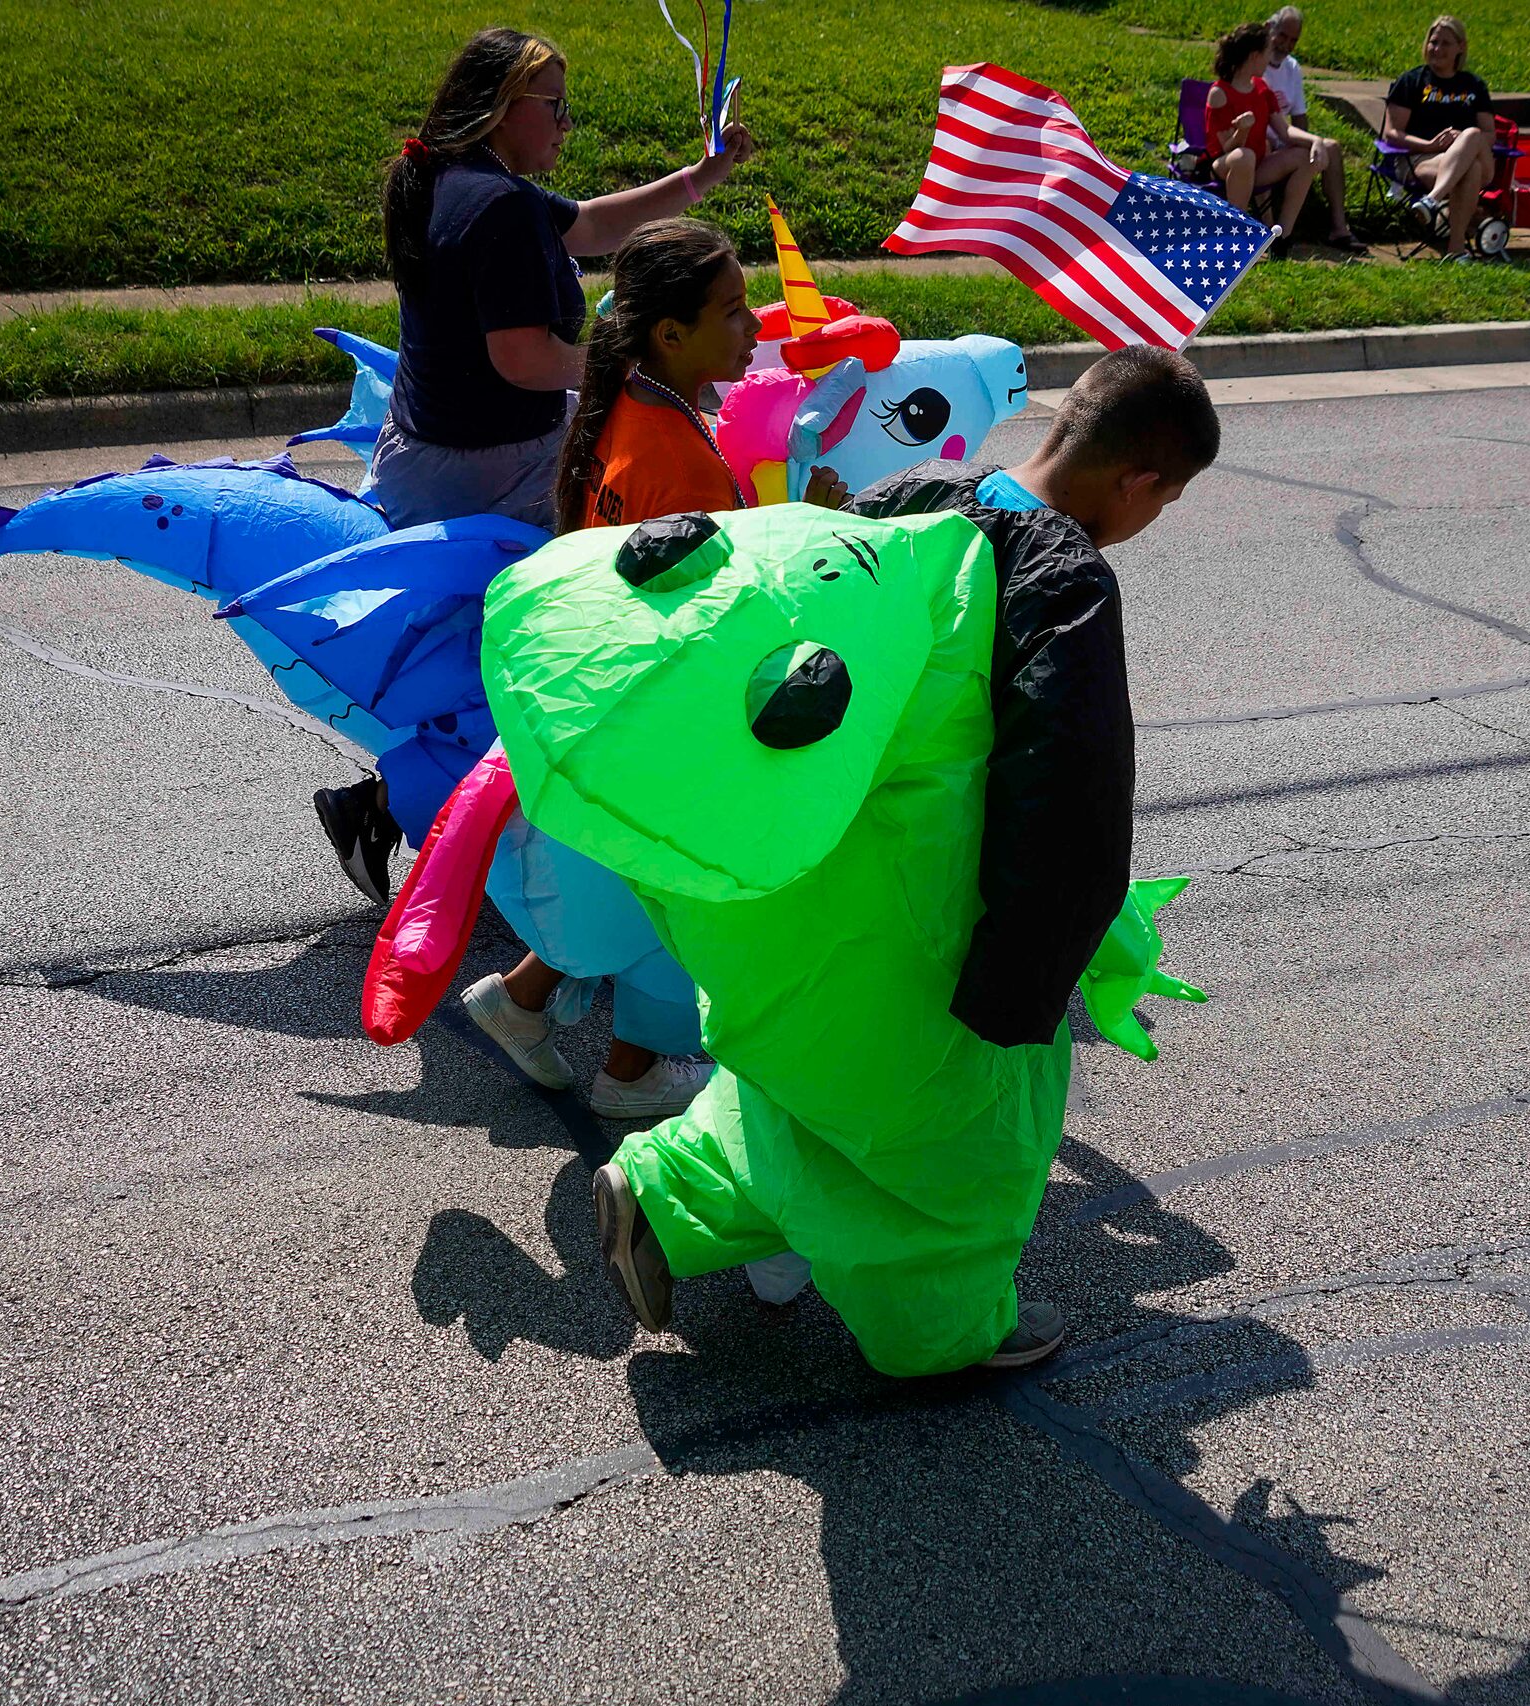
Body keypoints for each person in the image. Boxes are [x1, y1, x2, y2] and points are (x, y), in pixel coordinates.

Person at [583, 347, 1222, 1373]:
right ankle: (947, 1334)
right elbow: (1068, 800)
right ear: (1142, 480)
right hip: (925, 909)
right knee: (960, 1139)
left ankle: (673, 1194)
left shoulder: (916, 494)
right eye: (1170, 498)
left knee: (808, 1074)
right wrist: (1027, 982)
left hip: (805, 870)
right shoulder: (1060, 580)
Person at [316, 26, 757, 902]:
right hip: (488, 465)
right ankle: (444, 820)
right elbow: (522, 358)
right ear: (500, 108)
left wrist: (700, 180)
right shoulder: (498, 206)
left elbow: (587, 226)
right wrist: (631, 361)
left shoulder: (444, 176)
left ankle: (418, 811)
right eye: (552, 105)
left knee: (491, 656)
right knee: (571, 636)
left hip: (428, 454)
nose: (564, 120)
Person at [459, 220, 849, 1123]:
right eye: (731, 310)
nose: (753, 325)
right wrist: (820, 529)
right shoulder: (672, 455)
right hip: (667, 714)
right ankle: (634, 1069)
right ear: (669, 335)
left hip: (613, 698)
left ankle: (521, 1001)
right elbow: (727, 613)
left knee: (612, 878)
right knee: (679, 901)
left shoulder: (634, 409)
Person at [1207, 23, 1362, 253]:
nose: (1271, 57)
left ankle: (1280, 238)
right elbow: (1227, 148)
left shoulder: (1262, 88)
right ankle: (1235, 237)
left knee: (1304, 157)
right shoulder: (1220, 92)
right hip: (1225, 164)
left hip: (1257, 163)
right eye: (1268, 52)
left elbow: (1284, 131)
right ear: (1254, 56)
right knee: (1243, 156)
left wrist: (1316, 141)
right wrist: (1243, 130)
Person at [1384, 14, 1498, 259]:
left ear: (1461, 47)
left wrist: (1464, 138)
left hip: (1472, 157)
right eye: (1433, 42)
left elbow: (1490, 134)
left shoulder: (1474, 85)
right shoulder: (1412, 81)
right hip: (1420, 160)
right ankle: (1456, 250)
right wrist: (1429, 145)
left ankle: (1431, 199)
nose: (1437, 49)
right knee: (1471, 170)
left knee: (1473, 135)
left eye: (1445, 43)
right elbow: (1391, 133)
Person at [1264, 5, 1312, 128]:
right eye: (1282, 36)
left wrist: (1309, 142)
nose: (1286, 45)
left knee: (1330, 146)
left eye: (1293, 41)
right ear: (1268, 28)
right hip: (1259, 141)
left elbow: (1299, 115)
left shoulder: (1292, 67)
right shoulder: (1250, 64)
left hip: (1282, 139)